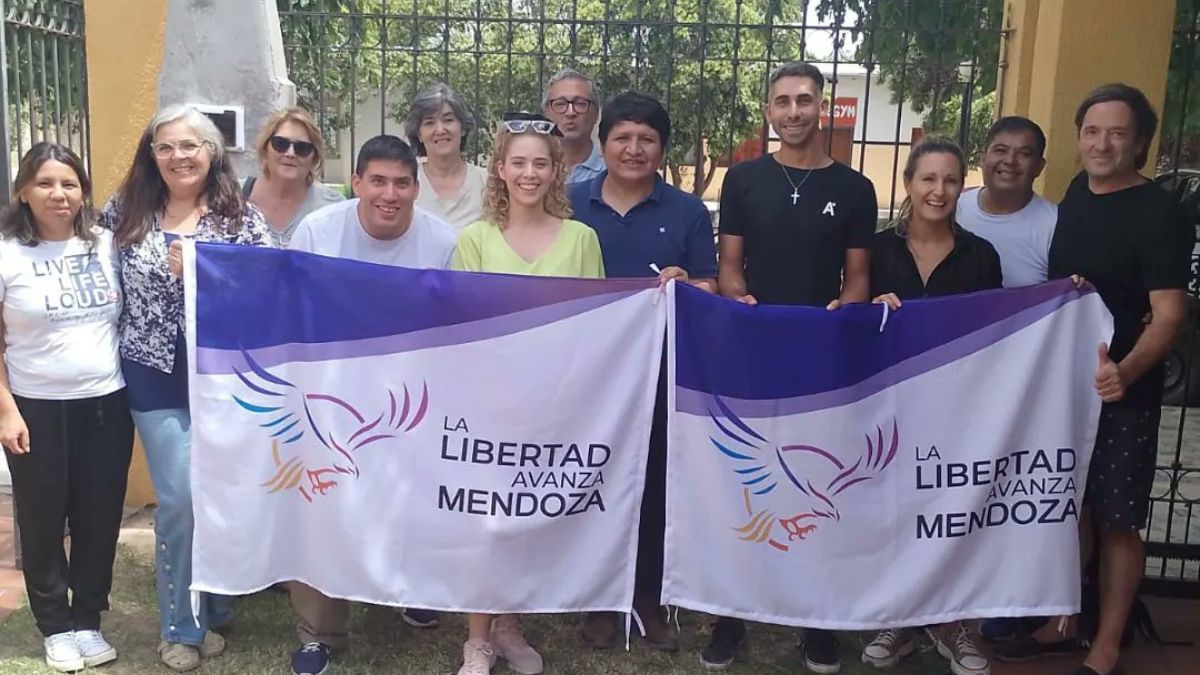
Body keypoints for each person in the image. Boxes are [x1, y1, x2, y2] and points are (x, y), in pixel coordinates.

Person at [1002, 84, 1192, 675]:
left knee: (1117, 520)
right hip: (1064, 387)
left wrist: (1124, 373)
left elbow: (1169, 315)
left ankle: (1107, 644)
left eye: (1116, 133)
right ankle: (1064, 623)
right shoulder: (1077, 193)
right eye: (1091, 132)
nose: (1101, 144)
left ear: (1140, 142)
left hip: (1124, 393)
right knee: (1068, 508)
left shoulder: (1161, 213)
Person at [710, 61, 877, 673]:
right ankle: (730, 614)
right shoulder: (743, 180)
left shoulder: (855, 189)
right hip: (752, 350)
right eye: (782, 101)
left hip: (822, 358)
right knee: (745, 480)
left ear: (821, 107)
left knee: (818, 481)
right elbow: (730, 268)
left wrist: (836, 321)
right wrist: (743, 305)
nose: (794, 112)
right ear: (769, 110)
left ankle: (815, 620)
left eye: (805, 100)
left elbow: (857, 280)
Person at [98, 104, 273, 671]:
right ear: (152, 155)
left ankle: (215, 603)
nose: (178, 157)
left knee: (220, 492)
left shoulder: (239, 218)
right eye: (166, 146)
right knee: (178, 498)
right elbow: (93, 271)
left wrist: (203, 275)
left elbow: (271, 289)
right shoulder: (125, 210)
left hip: (222, 376)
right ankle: (180, 626)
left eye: (190, 145)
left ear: (211, 152)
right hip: (152, 371)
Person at [285, 134, 458, 675]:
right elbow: (291, 309)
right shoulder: (317, 231)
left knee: (410, 497)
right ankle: (318, 632)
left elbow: (455, 322)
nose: (390, 194)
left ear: (417, 188)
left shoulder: (442, 240)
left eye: (402, 183)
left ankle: (411, 590)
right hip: (331, 386)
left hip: (411, 390)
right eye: (378, 181)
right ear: (355, 183)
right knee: (323, 504)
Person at [451, 113, 602, 675]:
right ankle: (476, 638)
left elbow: (599, 322)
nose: (529, 173)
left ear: (557, 170)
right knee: (483, 521)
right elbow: (462, 324)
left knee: (523, 515)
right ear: (499, 169)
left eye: (541, 163)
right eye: (518, 162)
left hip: (553, 403)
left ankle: (509, 626)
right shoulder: (474, 239)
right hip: (489, 403)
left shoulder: (582, 239)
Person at [568, 91, 716, 652]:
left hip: (660, 368)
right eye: (622, 138)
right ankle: (598, 596)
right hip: (586, 370)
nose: (633, 149)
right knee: (592, 474)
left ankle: (647, 597)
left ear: (662, 148)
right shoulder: (570, 202)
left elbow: (710, 284)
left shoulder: (687, 211)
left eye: (646, 139)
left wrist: (687, 284)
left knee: (654, 481)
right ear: (603, 144)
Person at [856, 138, 1001, 675]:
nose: (939, 191)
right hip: (888, 405)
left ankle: (953, 623)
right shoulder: (874, 251)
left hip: (956, 408)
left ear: (962, 187)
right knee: (895, 511)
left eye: (951, 180)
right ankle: (901, 618)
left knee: (950, 511)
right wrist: (869, 309)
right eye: (928, 179)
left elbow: (994, 332)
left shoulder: (981, 255)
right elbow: (847, 320)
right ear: (909, 183)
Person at [0, 143, 134, 673]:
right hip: (35, 408)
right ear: (23, 192)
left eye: (70, 184)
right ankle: (55, 625)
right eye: (46, 183)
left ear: (83, 192)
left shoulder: (105, 243)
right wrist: (6, 411)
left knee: (99, 518)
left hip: (106, 403)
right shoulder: (8, 253)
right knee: (42, 520)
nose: (59, 194)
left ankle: (88, 620)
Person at [956, 116, 1056, 288]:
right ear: (983, 159)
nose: (1010, 161)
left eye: (1024, 154)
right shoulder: (953, 210)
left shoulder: (1055, 227)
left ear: (1039, 167)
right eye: (1000, 150)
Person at [243, 107, 344, 247]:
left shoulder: (334, 208)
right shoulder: (230, 196)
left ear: (314, 157)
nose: (290, 153)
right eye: (280, 144)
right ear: (265, 149)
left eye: (302, 148)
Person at [405, 83, 487, 230]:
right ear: (419, 134)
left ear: (463, 128)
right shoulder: (405, 179)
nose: (440, 130)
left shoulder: (486, 182)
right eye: (429, 123)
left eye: (448, 120)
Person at [542, 68, 605, 183]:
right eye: (560, 104)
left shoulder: (612, 171)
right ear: (546, 113)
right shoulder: (532, 170)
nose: (570, 112)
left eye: (580, 104)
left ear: (596, 114)